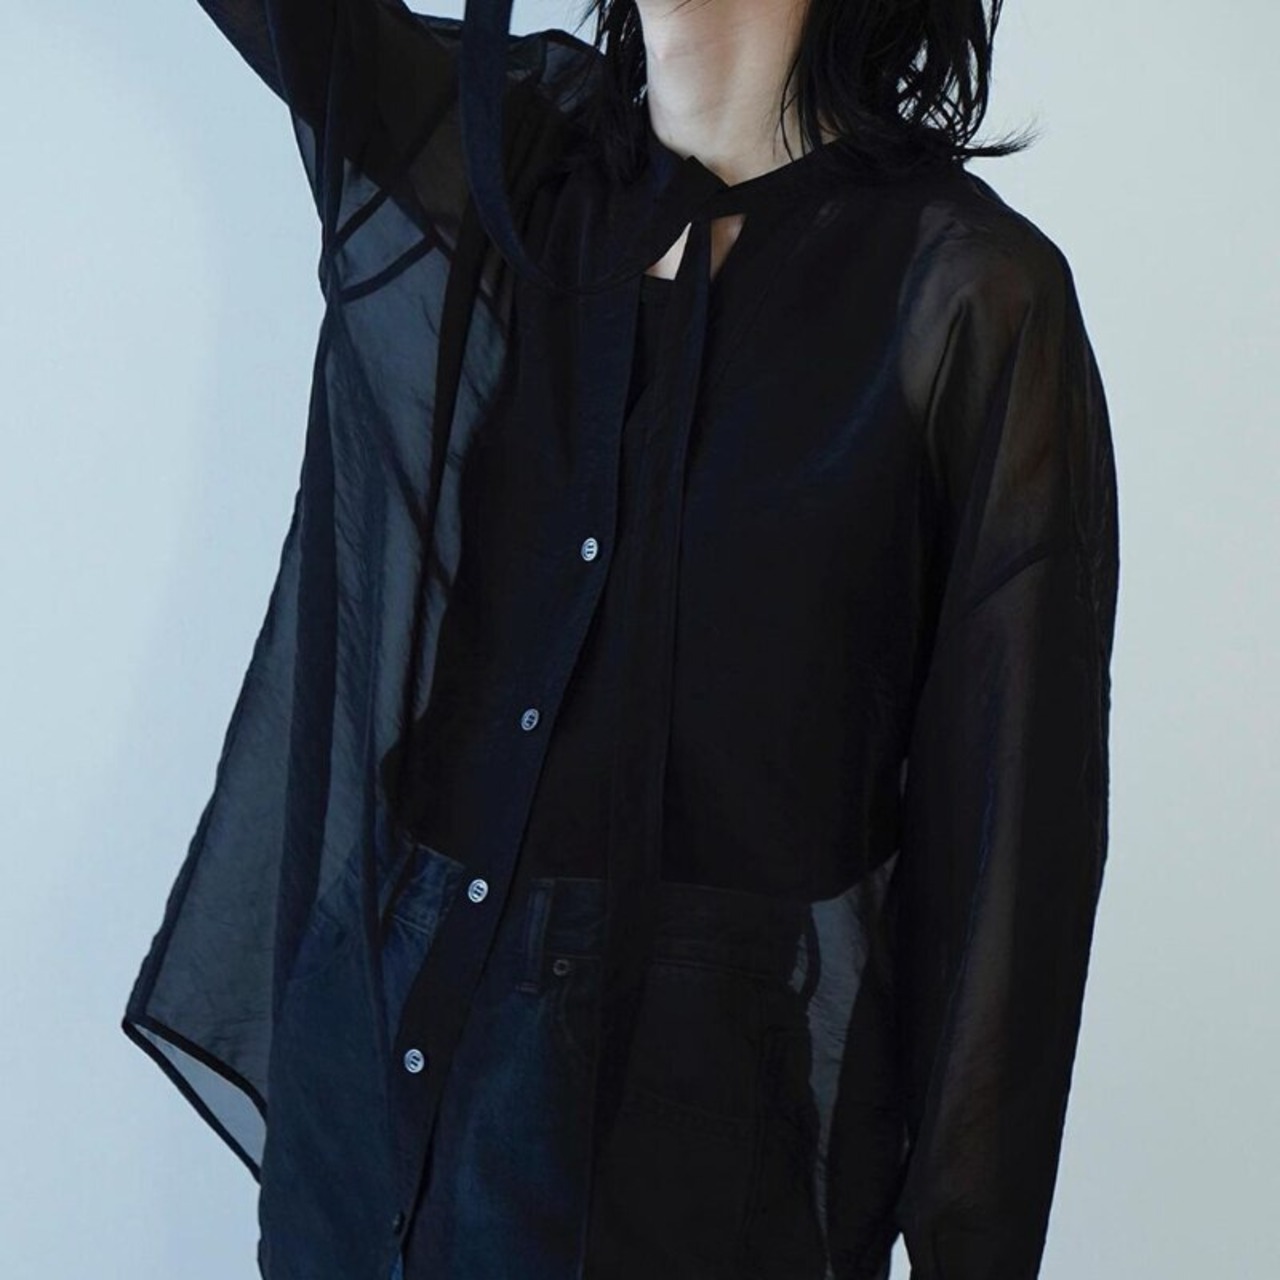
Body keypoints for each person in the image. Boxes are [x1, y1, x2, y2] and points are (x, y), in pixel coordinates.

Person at [121, 0, 1121, 1277]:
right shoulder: (523, 176)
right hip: (374, 1060)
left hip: (684, 1141)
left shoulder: (965, 291)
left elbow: (1011, 841)